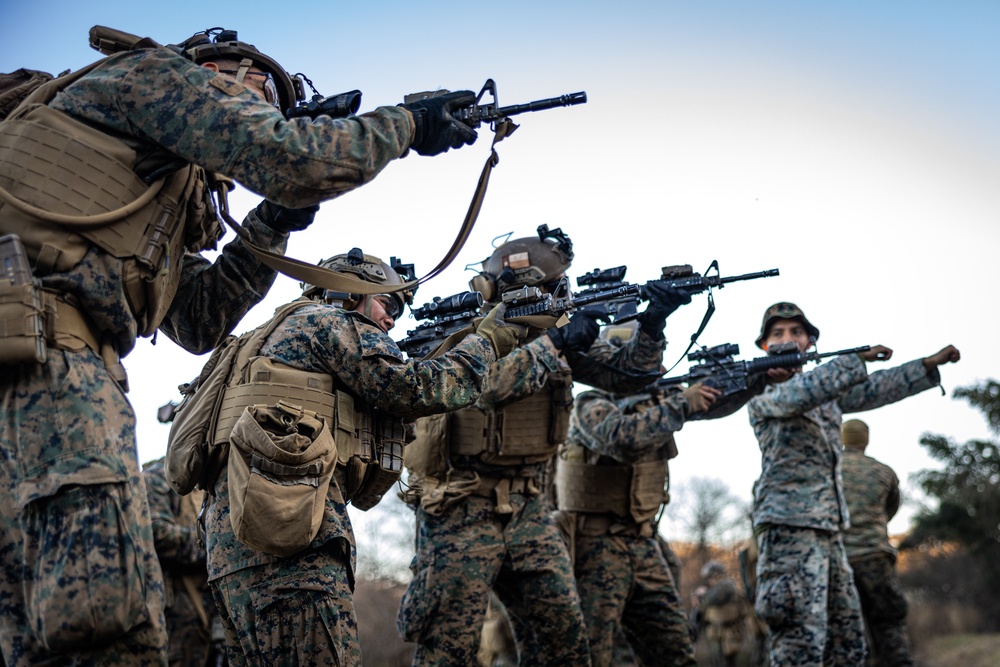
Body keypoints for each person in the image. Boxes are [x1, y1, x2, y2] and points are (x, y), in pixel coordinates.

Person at [0, 24, 479, 665]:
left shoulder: (146, 195)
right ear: (224, 70)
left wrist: (274, 220)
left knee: (37, 627)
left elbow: (197, 321)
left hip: (39, 350)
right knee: (104, 618)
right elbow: (299, 159)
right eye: (263, 96)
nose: (264, 113)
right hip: (42, 351)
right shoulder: (152, 75)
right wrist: (408, 125)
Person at [201, 249, 520, 665]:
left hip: (232, 558)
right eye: (387, 305)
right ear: (348, 293)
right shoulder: (328, 320)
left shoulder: (257, 339)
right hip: (291, 557)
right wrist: (491, 338)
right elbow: (416, 389)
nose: (390, 321)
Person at [397, 227, 691, 666]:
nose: (559, 295)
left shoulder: (556, 338)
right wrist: (554, 343)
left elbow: (628, 378)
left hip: (529, 506)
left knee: (565, 643)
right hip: (460, 505)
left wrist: (652, 324)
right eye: (551, 288)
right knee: (448, 647)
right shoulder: (461, 335)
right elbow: (488, 386)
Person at [747, 302, 960, 666]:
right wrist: (852, 360)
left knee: (848, 643)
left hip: (830, 533)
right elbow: (804, 393)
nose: (787, 339)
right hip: (789, 531)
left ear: (809, 343)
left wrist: (925, 367)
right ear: (764, 346)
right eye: (777, 333)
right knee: (799, 644)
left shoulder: (825, 394)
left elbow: (873, 388)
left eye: (796, 332)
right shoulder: (761, 393)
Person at [555, 320, 774, 667]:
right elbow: (621, 437)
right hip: (594, 545)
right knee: (588, 653)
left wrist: (758, 379)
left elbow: (711, 403)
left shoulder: (657, 402)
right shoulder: (589, 404)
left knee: (674, 650)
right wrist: (681, 404)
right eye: (644, 361)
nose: (658, 368)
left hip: (643, 543)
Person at [840, 419, 914, 667]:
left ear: (842, 438)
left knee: (844, 635)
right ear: (866, 439)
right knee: (889, 626)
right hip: (875, 558)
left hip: (838, 563)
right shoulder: (884, 472)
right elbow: (889, 511)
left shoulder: (829, 468)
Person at [142, 457, 224, 667]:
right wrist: (215, 544)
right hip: (181, 615)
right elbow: (155, 533)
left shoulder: (216, 480)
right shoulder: (158, 478)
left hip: (218, 614)